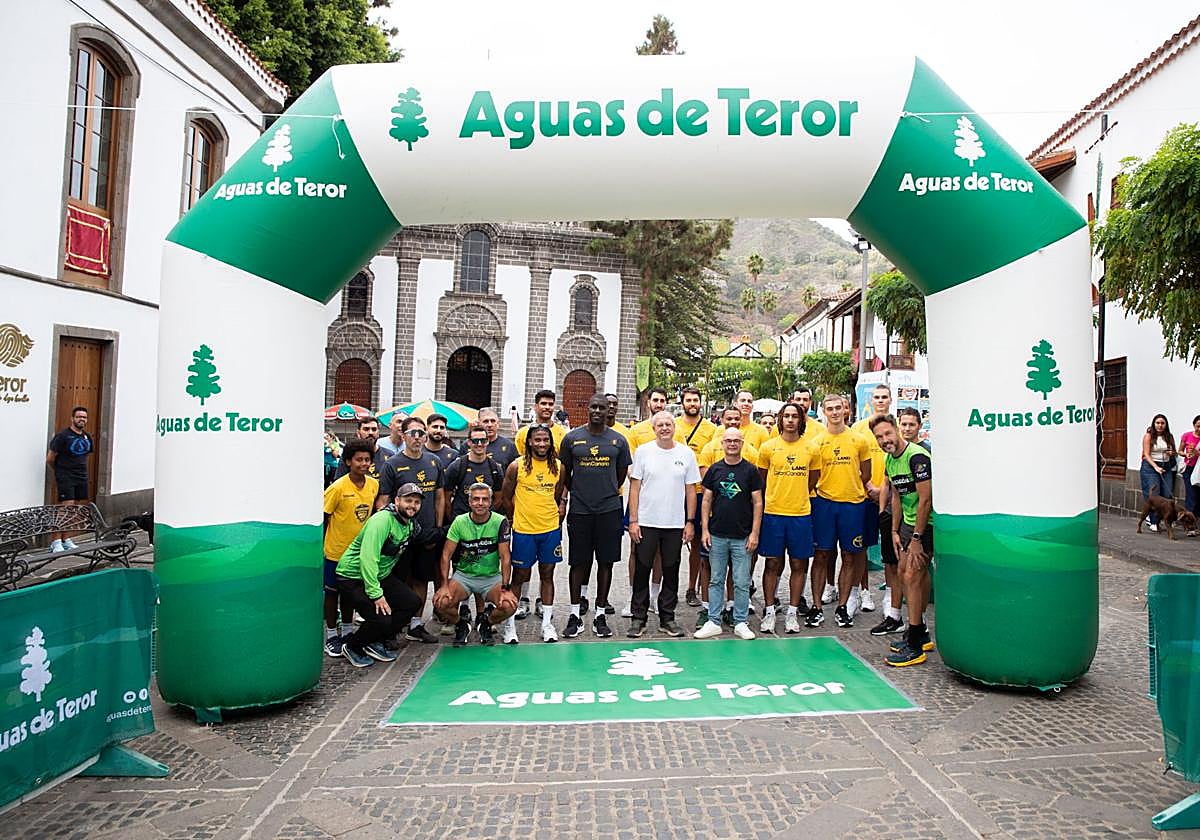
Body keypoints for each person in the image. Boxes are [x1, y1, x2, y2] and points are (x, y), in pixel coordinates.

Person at [560, 393, 631, 639]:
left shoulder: (618, 441)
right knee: (577, 562)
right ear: (587, 409)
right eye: (594, 407)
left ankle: (600, 614)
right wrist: (576, 494)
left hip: (609, 510)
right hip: (580, 510)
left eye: (602, 407)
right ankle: (574, 614)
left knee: (606, 562)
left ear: (609, 410)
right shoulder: (572, 438)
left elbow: (620, 475)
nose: (598, 411)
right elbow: (565, 474)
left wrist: (605, 490)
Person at [331, 484, 425, 667]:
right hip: (352, 576)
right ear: (397, 501)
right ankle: (352, 646)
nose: (412, 505)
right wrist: (376, 595)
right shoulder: (381, 521)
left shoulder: (409, 523)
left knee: (412, 602)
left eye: (416, 502)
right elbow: (368, 559)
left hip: (380, 575)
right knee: (381, 618)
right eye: (408, 500)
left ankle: (373, 640)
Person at [627, 411, 700, 638]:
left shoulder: (686, 454)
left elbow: (691, 490)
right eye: (660, 425)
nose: (665, 428)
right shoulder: (643, 452)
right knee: (642, 569)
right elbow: (635, 488)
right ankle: (638, 617)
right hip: (646, 521)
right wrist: (633, 520)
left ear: (674, 427)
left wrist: (690, 521)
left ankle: (667, 617)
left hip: (674, 523)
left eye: (668, 424)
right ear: (654, 429)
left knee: (671, 569)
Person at [870, 415, 934, 666]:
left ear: (896, 430)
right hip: (907, 523)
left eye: (887, 433)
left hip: (927, 524)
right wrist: (895, 531)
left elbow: (926, 500)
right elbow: (896, 496)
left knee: (911, 575)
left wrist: (917, 537)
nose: (884, 440)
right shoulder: (890, 459)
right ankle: (921, 632)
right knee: (904, 572)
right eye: (879, 437)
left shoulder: (917, 457)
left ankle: (916, 643)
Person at [376, 416, 446, 643]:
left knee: (421, 579)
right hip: (400, 534)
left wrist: (437, 528)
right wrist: (386, 531)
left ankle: (416, 625)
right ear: (403, 435)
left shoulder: (434, 462)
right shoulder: (392, 464)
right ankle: (393, 626)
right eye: (412, 433)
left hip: (425, 534)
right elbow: (383, 500)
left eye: (421, 433)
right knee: (397, 580)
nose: (417, 438)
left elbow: (440, 497)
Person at [756, 402, 822, 634]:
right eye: (787, 416)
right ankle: (770, 611)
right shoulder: (768, 447)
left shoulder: (811, 448)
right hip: (773, 514)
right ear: (780, 420)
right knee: (772, 563)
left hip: (800, 514)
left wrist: (798, 494)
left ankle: (792, 612)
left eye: (795, 416)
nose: (791, 420)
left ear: (801, 420)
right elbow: (762, 480)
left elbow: (813, 478)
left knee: (798, 564)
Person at [497, 425, 566, 643]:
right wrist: (514, 518)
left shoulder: (559, 467)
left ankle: (547, 625)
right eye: (537, 440)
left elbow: (556, 496)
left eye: (546, 440)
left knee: (547, 575)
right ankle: (510, 626)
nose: (542, 444)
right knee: (519, 576)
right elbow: (506, 497)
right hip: (524, 531)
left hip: (550, 530)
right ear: (529, 442)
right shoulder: (516, 466)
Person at [809, 394, 872, 628]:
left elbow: (866, 473)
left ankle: (843, 606)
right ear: (824, 412)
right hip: (824, 504)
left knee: (849, 555)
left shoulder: (859, 440)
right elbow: (813, 475)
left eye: (838, 408)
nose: (835, 412)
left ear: (845, 411)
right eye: (830, 409)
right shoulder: (816, 442)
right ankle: (816, 607)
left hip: (853, 505)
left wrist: (850, 487)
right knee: (821, 555)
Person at [696, 406, 760, 627]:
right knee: (716, 579)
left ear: (742, 443)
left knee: (741, 582)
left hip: (743, 536)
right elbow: (706, 500)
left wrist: (754, 533)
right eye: (729, 441)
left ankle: (740, 621)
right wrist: (705, 530)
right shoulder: (714, 469)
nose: (732, 444)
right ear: (722, 443)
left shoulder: (751, 470)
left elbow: (758, 502)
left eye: (736, 441)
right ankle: (713, 620)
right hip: (717, 535)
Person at [433, 483, 518, 647]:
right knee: (440, 602)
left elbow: (505, 557)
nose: (480, 503)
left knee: (509, 605)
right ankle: (461, 624)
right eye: (476, 499)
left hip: (491, 578)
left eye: (484, 499)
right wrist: (444, 585)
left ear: (490, 502)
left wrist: (506, 588)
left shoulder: (500, 521)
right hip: (464, 577)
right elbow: (446, 555)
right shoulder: (459, 521)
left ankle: (486, 622)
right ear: (469, 502)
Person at [322, 439, 379, 655]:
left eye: (367, 460)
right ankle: (331, 635)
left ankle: (347, 631)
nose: (363, 464)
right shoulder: (337, 488)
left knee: (349, 594)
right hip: (335, 552)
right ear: (348, 461)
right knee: (332, 594)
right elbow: (324, 517)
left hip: (357, 553)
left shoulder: (373, 485)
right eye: (359, 460)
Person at [621, 387, 669, 617]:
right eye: (655, 400)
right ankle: (634, 595)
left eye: (662, 400)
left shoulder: (672, 429)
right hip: (640, 498)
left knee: (660, 550)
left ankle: (654, 596)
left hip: (665, 500)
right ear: (648, 402)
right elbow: (630, 466)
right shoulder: (636, 431)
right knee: (635, 547)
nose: (658, 404)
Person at [849, 383, 894, 615]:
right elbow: (854, 463)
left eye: (884, 397)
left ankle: (890, 598)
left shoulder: (896, 427)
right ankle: (862, 593)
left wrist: (884, 491)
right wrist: (869, 486)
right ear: (871, 400)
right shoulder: (858, 428)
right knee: (860, 548)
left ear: (890, 400)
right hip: (866, 496)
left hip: (891, 498)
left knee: (891, 551)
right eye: (877, 397)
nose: (880, 400)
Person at [674, 386, 719, 609]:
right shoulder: (674, 426)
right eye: (688, 400)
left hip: (701, 491)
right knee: (670, 543)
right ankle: (666, 588)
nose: (692, 404)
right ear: (682, 402)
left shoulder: (711, 429)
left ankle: (692, 588)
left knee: (698, 542)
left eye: (695, 400)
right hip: (675, 491)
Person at [46, 406, 94, 553]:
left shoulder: (87, 437)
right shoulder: (62, 436)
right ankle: (55, 541)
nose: (82, 419)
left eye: (84, 417)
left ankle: (66, 539)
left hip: (81, 476)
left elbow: (85, 456)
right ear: (72, 418)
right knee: (66, 507)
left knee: (73, 509)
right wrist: (60, 472)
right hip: (66, 476)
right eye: (79, 417)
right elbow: (50, 458)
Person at [443, 424, 506, 519]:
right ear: (469, 442)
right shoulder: (457, 466)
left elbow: (498, 499)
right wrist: (452, 519)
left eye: (483, 440)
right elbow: (446, 498)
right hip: (462, 519)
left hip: (485, 521)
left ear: (487, 441)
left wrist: (485, 515)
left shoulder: (495, 468)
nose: (479, 444)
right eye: (475, 441)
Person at [1141, 414, 1177, 531]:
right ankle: (1153, 521)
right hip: (1150, 466)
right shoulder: (1148, 436)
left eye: (1162, 423)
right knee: (1154, 494)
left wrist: (1172, 453)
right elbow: (1146, 454)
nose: (1160, 425)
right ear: (1154, 424)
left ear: (1166, 425)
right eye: (1157, 423)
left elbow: (1174, 452)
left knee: (1167, 494)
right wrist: (1155, 467)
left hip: (1166, 466)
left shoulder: (1169, 436)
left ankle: (1165, 520)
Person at [335, 416, 389, 481]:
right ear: (358, 433)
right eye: (366, 429)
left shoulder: (389, 455)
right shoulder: (349, 454)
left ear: (378, 433)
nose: (370, 432)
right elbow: (339, 481)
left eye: (374, 429)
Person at [465, 407, 518, 472]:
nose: (489, 425)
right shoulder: (468, 444)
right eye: (486, 421)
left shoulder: (510, 446)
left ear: (498, 424)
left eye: (493, 421)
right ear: (479, 423)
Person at [516, 389, 567, 456]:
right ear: (535, 407)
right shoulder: (522, 433)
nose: (547, 407)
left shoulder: (562, 433)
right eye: (543, 404)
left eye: (550, 404)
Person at [1181, 415, 1200, 531]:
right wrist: (1185, 454)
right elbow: (1180, 451)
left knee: (1198, 497)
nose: (1199, 429)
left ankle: (1195, 522)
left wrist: (1197, 453)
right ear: (1194, 425)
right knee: (1191, 495)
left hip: (1199, 470)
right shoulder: (1187, 435)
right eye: (1198, 426)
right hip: (1189, 469)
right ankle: (1189, 525)